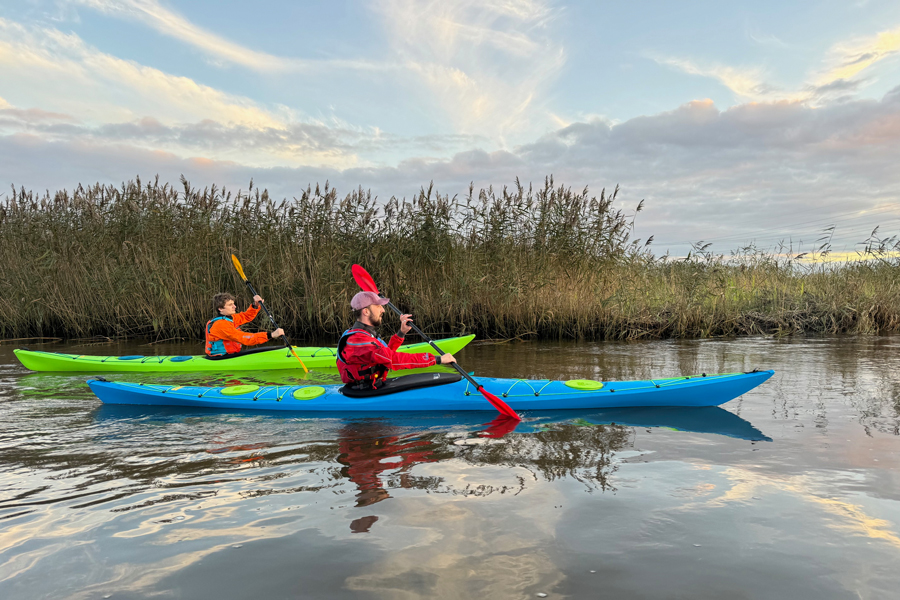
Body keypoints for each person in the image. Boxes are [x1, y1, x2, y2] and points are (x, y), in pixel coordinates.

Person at [336, 291, 456, 387]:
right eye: (378, 306)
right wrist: (438, 359)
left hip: (372, 385)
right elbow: (394, 359)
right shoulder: (359, 341)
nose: (383, 310)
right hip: (365, 391)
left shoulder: (363, 334)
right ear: (366, 312)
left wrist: (401, 333)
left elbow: (384, 354)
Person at [205, 292, 284, 357]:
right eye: (230, 305)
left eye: (233, 304)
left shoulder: (230, 318)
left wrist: (255, 306)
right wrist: (271, 335)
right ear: (220, 309)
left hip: (231, 355)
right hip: (222, 357)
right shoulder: (220, 325)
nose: (234, 306)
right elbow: (244, 338)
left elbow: (246, 316)